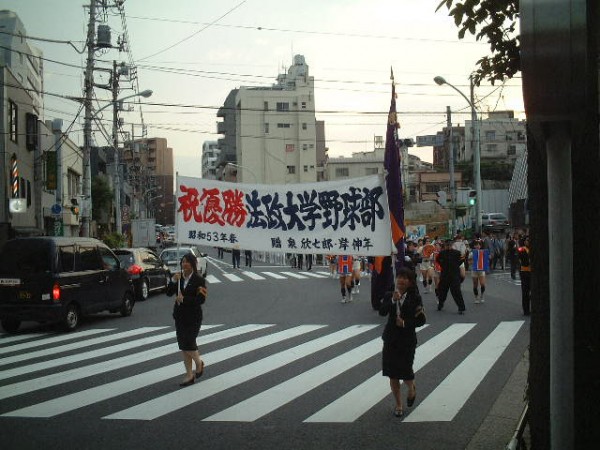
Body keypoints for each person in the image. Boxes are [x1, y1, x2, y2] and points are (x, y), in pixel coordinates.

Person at [379, 267, 426, 417]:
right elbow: (382, 312)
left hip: (407, 340)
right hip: (391, 339)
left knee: (406, 372)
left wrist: (405, 323)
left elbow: (421, 320)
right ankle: (398, 404)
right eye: (399, 277)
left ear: (410, 282)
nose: (401, 280)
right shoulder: (390, 294)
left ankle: (411, 388)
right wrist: (393, 300)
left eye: (405, 278)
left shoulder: (415, 298)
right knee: (392, 374)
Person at [166, 253, 207, 387]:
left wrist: (184, 299)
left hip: (193, 317)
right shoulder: (179, 278)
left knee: (188, 342)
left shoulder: (199, 280)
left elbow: (201, 299)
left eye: (187, 262)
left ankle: (199, 363)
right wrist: (173, 280)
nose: (184, 264)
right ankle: (189, 375)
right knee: (183, 346)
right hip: (180, 316)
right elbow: (168, 293)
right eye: (183, 262)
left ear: (193, 264)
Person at [437, 238, 467, 314]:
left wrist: (456, 265)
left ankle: (461, 307)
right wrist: (443, 265)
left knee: (457, 291)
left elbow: (462, 259)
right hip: (445, 275)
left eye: (450, 245)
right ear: (445, 245)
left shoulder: (457, 253)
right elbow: (438, 260)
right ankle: (441, 303)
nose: (448, 246)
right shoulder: (442, 253)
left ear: (452, 245)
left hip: (454, 275)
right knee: (442, 291)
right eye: (447, 245)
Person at [469, 239, 490, 304]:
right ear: (474, 246)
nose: (477, 246)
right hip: (474, 270)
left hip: (481, 270)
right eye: (476, 245)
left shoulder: (483, 252)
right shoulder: (472, 253)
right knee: (475, 284)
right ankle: (476, 297)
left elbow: (486, 260)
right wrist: (472, 262)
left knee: (482, 284)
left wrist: (489, 257)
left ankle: (482, 295)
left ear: (480, 246)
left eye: (478, 245)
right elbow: (469, 261)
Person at [518, 236, 531, 315]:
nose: (528, 242)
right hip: (525, 272)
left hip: (532, 273)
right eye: (527, 240)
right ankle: (526, 310)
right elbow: (523, 261)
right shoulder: (522, 249)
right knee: (525, 292)